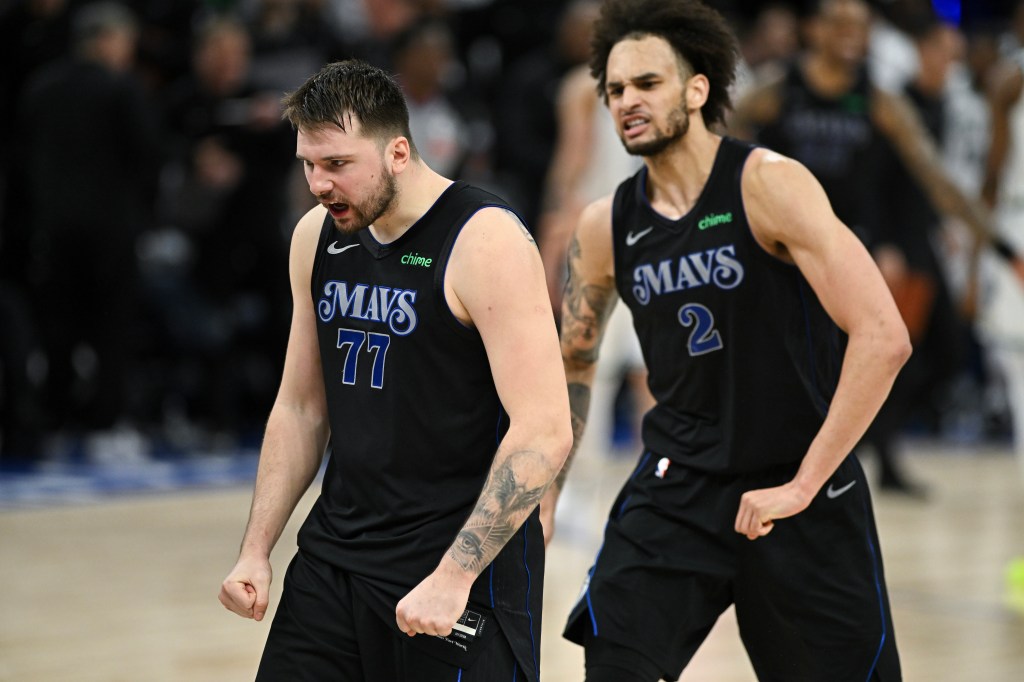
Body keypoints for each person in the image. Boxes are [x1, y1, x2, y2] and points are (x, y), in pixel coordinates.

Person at [540, 1, 910, 680]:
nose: (626, 102)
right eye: (615, 90)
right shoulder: (604, 227)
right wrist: (545, 496)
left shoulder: (769, 185)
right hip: (675, 489)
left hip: (799, 489)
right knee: (614, 662)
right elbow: (572, 361)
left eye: (647, 84)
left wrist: (802, 485)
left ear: (696, 88)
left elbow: (884, 336)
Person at [217, 60, 572, 682]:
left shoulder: (483, 241)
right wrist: (256, 550)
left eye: (337, 165)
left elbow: (545, 428)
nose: (318, 185)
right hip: (336, 559)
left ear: (399, 152)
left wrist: (455, 574)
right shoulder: (317, 239)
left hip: (457, 568)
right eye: (308, 164)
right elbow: (302, 408)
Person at [732, 0, 1024, 494]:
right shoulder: (780, 91)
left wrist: (996, 243)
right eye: (840, 23)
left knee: (888, 353)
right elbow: (723, 140)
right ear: (813, 29)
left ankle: (862, 466)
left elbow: (936, 179)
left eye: (861, 26)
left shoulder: (879, 99)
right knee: (781, 371)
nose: (852, 34)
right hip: (782, 253)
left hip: (853, 252)